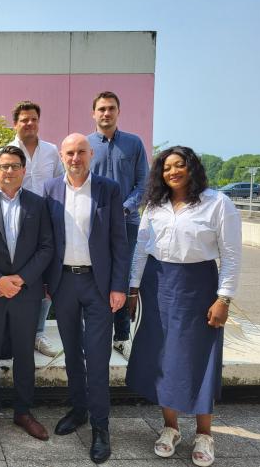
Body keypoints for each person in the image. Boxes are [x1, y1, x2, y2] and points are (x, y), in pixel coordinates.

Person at [126, 146, 241, 467]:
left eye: (179, 165)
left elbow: (231, 254)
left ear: (192, 168)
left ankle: (204, 433)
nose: (172, 172)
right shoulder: (155, 206)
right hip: (158, 285)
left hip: (200, 287)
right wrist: (133, 288)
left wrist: (224, 297)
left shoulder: (218, 203)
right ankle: (170, 428)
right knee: (163, 356)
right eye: (166, 167)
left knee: (200, 357)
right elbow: (141, 249)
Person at [43, 133, 128, 464]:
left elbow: (120, 243)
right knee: (72, 355)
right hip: (64, 283)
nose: (75, 158)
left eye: (81, 152)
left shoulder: (108, 189)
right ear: (61, 156)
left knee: (97, 356)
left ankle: (100, 426)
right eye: (69, 153)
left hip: (98, 285)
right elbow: (46, 240)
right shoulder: (50, 190)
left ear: (91, 154)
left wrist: (119, 286)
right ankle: (78, 409)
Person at [0, 146, 54, 442]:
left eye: (15, 166)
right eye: (3, 166)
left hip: (26, 292)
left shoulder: (38, 204)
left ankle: (23, 412)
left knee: (24, 354)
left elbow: (47, 247)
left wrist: (20, 279)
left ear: (23, 170)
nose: (9, 171)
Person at [88, 91, 149, 360]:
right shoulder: (86, 145)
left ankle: (122, 337)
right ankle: (94, 333)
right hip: (94, 224)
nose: (106, 113)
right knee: (95, 276)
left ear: (118, 112)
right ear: (94, 113)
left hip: (128, 222)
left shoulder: (134, 144)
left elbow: (143, 184)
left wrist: (125, 207)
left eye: (111, 108)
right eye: (101, 109)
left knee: (122, 277)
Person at [8, 100, 64, 358]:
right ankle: (14, 330)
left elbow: (61, 185)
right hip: (13, 221)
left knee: (43, 277)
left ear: (38, 122)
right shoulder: (5, 151)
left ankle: (38, 333)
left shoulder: (53, 151)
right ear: (15, 123)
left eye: (33, 119)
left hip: (46, 220)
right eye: (23, 119)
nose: (29, 123)